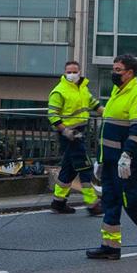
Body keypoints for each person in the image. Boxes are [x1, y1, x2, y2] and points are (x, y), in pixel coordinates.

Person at [87, 53, 137, 261]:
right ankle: (110, 247)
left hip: (126, 162)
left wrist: (127, 154)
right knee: (111, 201)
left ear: (130, 73)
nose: (114, 74)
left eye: (118, 70)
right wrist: (102, 158)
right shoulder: (117, 92)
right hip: (111, 160)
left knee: (132, 202)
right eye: (114, 69)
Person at [47, 59, 99, 216]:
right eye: (69, 72)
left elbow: (92, 103)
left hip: (79, 132)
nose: (72, 74)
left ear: (79, 72)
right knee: (85, 166)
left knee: (69, 170)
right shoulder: (59, 91)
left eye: (74, 71)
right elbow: (52, 115)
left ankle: (58, 202)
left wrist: (106, 111)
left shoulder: (82, 88)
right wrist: (65, 131)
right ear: (64, 73)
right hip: (69, 135)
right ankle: (92, 204)